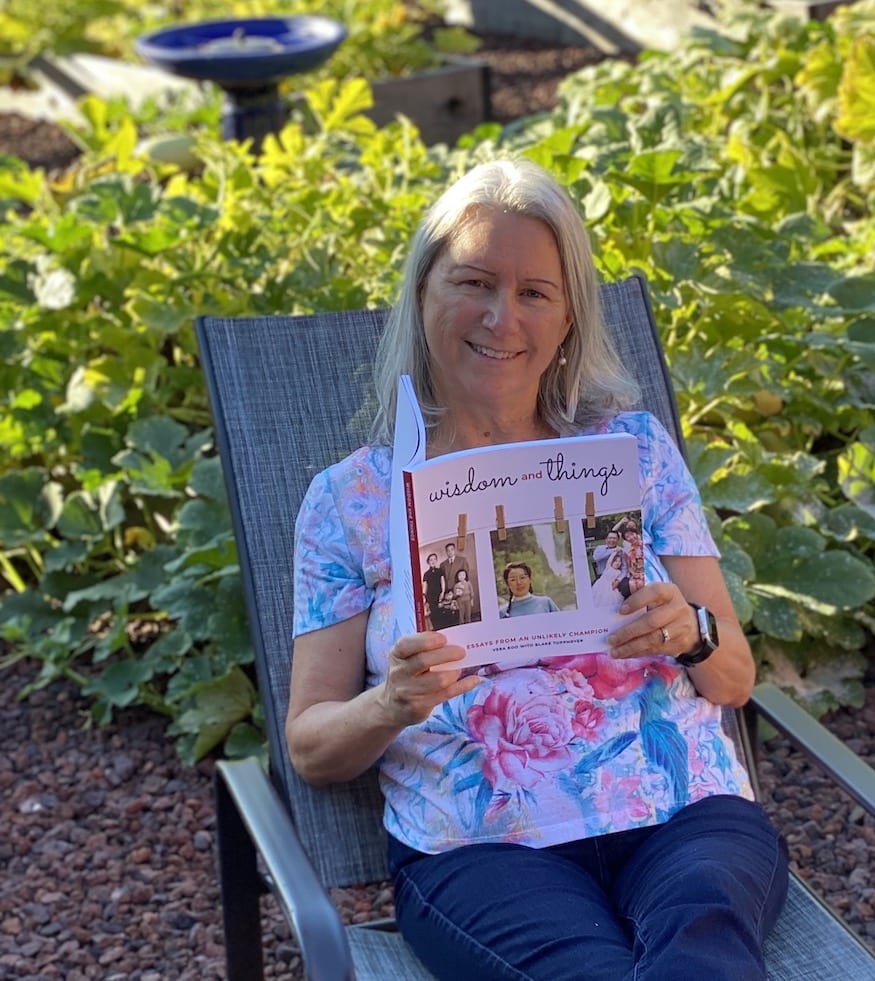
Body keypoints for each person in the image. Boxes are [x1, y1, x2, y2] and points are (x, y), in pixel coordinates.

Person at [288, 158, 788, 981]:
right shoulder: (353, 499)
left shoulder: (633, 453)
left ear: (566, 320)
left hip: (684, 813)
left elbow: (734, 678)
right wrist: (389, 702)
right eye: (475, 282)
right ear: (423, 295)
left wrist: (690, 633)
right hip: (481, 845)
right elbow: (311, 743)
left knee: (701, 952)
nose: (501, 317)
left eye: (533, 293)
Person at [422, 552, 445, 625]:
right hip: (430, 596)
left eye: (434, 559)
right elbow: (425, 586)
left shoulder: (440, 570)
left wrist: (443, 592)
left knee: (441, 612)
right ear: (428, 562)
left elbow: (443, 582)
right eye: (431, 560)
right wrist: (424, 596)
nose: (433, 561)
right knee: (433, 614)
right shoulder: (426, 574)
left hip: (439, 595)